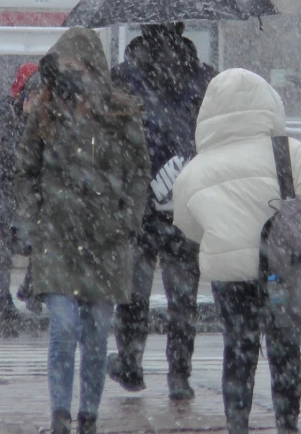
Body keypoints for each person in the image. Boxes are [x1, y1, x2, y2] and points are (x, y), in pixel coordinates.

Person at [173, 68, 301, 434]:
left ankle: (237, 423)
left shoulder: (196, 169)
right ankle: (286, 422)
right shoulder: (287, 152)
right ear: (268, 105)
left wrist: (225, 234)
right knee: (285, 348)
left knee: (239, 349)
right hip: (282, 268)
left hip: (231, 276)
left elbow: (187, 223)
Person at [14, 27, 149, 434]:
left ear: (93, 68)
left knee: (96, 335)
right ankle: (60, 414)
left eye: (75, 66)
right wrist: (36, 222)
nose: (69, 74)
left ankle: (88, 414)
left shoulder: (121, 115)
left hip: (107, 244)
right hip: (57, 241)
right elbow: (25, 170)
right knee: (65, 327)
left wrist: (127, 220)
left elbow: (139, 172)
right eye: (63, 67)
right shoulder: (44, 113)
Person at [107, 23, 215, 400]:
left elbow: (107, 139)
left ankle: (131, 363)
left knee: (133, 295)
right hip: (186, 201)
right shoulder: (204, 78)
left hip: (138, 203)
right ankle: (179, 375)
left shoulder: (122, 79)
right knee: (182, 299)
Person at [0, 62, 43, 329]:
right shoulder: (7, 109)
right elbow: (2, 145)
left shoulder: (44, 114)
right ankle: (4, 297)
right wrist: (23, 117)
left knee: (41, 240)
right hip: (8, 184)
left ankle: (31, 286)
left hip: (31, 188)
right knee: (8, 240)